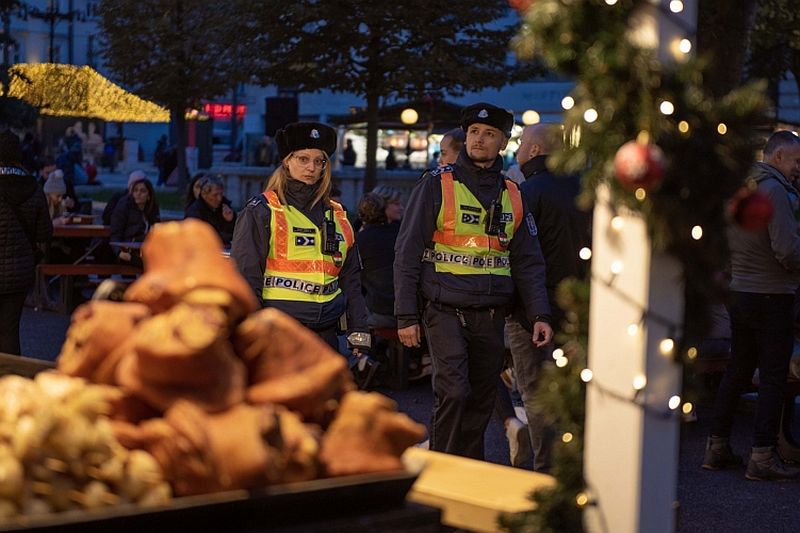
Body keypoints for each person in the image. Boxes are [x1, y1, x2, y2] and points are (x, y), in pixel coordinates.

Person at [394, 103, 553, 459]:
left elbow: (528, 261)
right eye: (474, 132)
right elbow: (406, 253)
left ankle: (467, 469)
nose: (480, 139)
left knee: (481, 399)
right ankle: (443, 468)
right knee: (453, 392)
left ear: (503, 142)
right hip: (444, 309)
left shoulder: (513, 193)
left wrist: (539, 314)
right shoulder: (437, 185)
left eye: (489, 134)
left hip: (491, 314)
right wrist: (405, 316)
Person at [703, 130, 800, 480]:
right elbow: (787, 250)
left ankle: (716, 446)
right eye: (796, 161)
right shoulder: (775, 191)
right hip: (772, 293)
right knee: (773, 376)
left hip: (740, 291)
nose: (798, 168)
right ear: (777, 157)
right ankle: (762, 457)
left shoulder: (741, 190)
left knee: (738, 369)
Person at [230, 122, 370, 355]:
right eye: (303, 159)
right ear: (287, 161)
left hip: (327, 335)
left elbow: (351, 278)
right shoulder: (263, 210)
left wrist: (359, 331)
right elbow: (246, 278)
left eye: (319, 161)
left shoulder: (337, 214)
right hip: (279, 333)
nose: (312, 168)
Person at [507, 123, 591, 472]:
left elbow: (518, 254)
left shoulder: (526, 193)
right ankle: (578, 465)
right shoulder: (585, 190)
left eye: (522, 143)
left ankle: (546, 469)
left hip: (533, 308)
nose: (518, 149)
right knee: (576, 391)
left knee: (536, 392)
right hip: (580, 305)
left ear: (535, 150)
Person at [0, 130, 52, 355]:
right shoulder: (33, 186)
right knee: (10, 331)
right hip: (20, 272)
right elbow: (44, 234)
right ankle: (11, 382)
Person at [109, 177, 160, 267]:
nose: (138, 194)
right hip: (127, 251)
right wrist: (119, 252)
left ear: (149, 196)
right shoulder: (124, 207)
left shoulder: (152, 209)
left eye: (142, 191)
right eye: (135, 190)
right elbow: (115, 234)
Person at [185, 176, 236, 245]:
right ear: (204, 195)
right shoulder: (194, 212)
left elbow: (236, 232)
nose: (219, 198)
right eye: (215, 195)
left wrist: (230, 220)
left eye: (221, 194)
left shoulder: (225, 207)